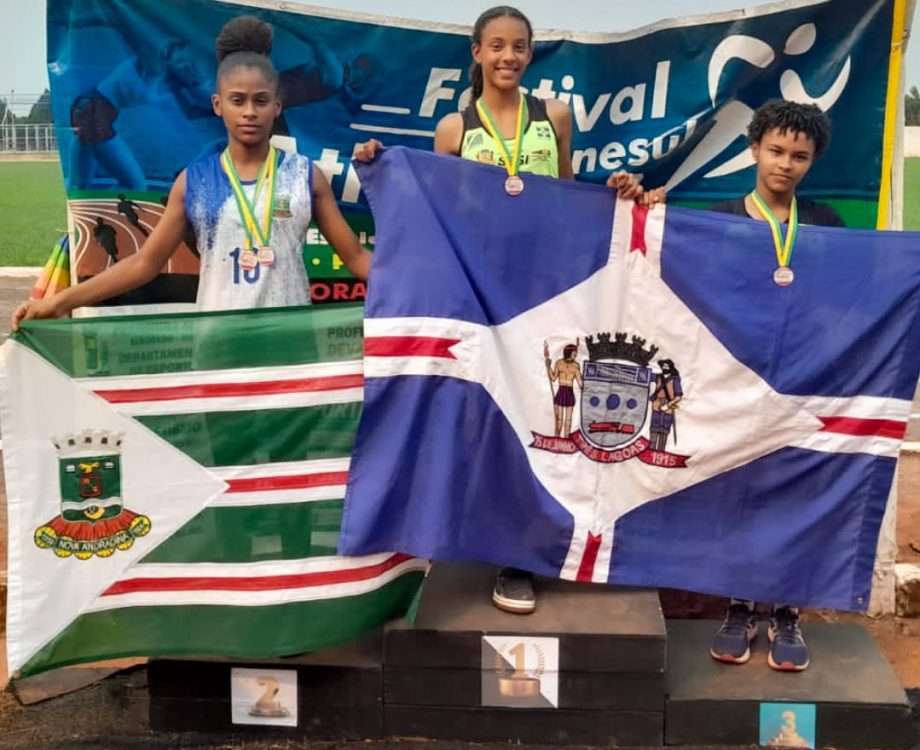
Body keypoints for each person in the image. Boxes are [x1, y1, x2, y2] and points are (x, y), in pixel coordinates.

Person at [357, 5, 662, 615]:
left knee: (542, 421)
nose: (507, 57)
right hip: (483, 296)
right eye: (495, 46)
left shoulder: (554, 117)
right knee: (490, 419)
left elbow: (574, 201)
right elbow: (434, 208)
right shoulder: (452, 130)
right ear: (476, 52)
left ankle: (527, 554)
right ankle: (491, 547)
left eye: (518, 47)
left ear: (530, 54)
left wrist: (621, 194)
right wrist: (377, 162)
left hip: (550, 291)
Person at [13, 15, 371, 329]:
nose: (249, 112)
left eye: (260, 101)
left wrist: (424, 287)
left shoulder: (306, 177)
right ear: (218, 105)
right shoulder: (194, 181)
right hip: (217, 345)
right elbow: (143, 263)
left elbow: (356, 259)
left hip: (291, 344)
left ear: (277, 105)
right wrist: (57, 302)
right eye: (237, 100)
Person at [707, 99, 844, 672]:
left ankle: (787, 613)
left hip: (804, 384)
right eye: (776, 151)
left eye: (800, 156)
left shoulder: (828, 225)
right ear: (754, 149)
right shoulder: (719, 220)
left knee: (795, 496)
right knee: (740, 495)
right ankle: (739, 607)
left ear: (812, 162)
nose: (786, 165)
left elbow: (847, 301)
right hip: (737, 382)